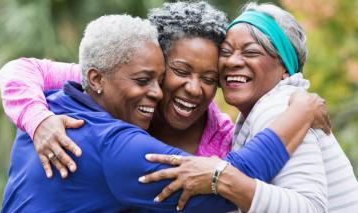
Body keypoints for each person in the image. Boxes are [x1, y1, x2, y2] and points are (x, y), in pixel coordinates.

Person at [0, 13, 328, 213]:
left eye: (209, 78)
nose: (156, 91)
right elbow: (233, 183)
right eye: (150, 78)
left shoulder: (57, 100)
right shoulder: (113, 144)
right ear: (97, 78)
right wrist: (301, 112)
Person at [140, 2, 358, 212]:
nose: (232, 61)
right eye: (225, 52)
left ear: (285, 68)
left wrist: (219, 176)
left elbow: (310, 208)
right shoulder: (272, 111)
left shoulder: (282, 108)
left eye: (251, 52)